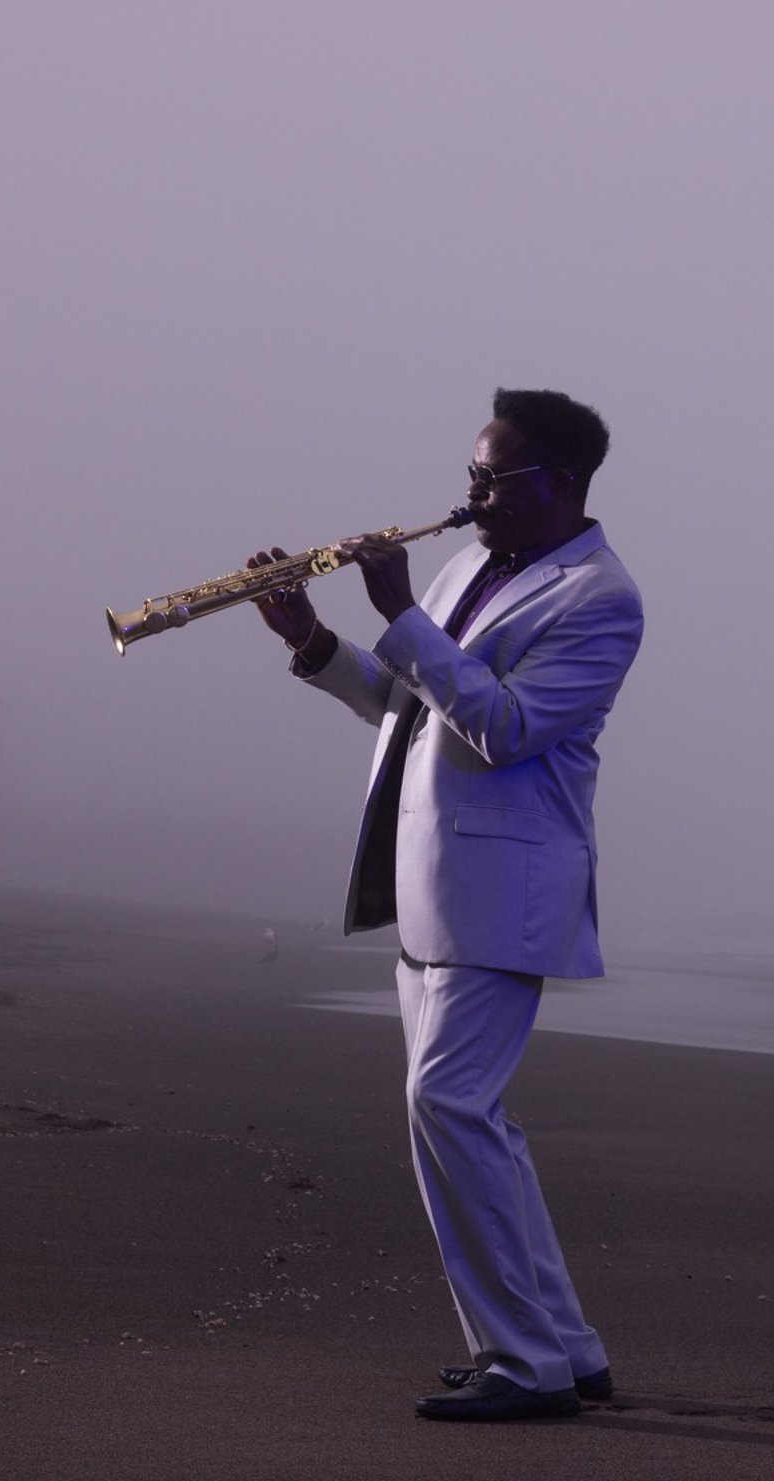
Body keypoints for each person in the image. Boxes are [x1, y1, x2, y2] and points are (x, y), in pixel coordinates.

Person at [248, 388, 643, 1422]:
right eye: (470, 476)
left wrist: (403, 614)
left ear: (559, 484)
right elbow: (407, 701)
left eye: (493, 481)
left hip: (504, 896)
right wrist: (315, 642)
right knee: (473, 1121)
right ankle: (565, 1346)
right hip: (426, 886)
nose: (469, 500)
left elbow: (502, 728)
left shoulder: (601, 599)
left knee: (448, 1107)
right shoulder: (471, 566)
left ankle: (524, 1365)